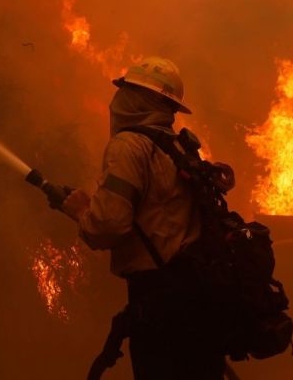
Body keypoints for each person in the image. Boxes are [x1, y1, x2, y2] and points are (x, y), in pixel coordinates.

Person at [59, 56, 227, 380]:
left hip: (159, 305)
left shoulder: (129, 146)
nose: (117, 101)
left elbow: (109, 225)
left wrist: (81, 211)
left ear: (140, 98)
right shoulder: (180, 148)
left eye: (126, 91)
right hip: (199, 299)